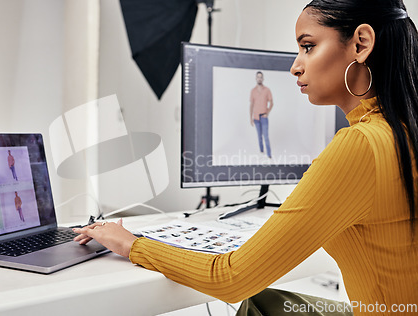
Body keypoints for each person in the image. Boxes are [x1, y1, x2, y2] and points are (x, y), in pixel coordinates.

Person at [73, 0, 418, 315]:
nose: (296, 66)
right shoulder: (404, 129)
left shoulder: (360, 144)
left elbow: (232, 278)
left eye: (308, 47)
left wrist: (132, 244)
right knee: (264, 304)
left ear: (361, 44)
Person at [250, 71, 274, 158]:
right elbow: (251, 105)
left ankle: (269, 154)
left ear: (263, 78)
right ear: (256, 78)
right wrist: (250, 118)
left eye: (261, 77)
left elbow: (271, 103)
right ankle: (261, 151)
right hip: (256, 118)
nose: (259, 78)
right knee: (259, 136)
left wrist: (267, 113)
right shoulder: (253, 91)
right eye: (258, 77)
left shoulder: (267, 90)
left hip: (264, 117)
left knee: (266, 137)